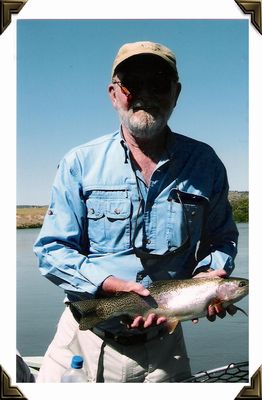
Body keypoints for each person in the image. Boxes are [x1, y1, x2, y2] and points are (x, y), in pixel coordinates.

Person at [33, 41, 239, 383]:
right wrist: (107, 285)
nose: (145, 93)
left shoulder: (206, 164)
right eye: (132, 83)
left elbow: (222, 239)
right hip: (84, 341)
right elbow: (51, 251)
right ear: (114, 94)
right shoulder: (79, 163)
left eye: (158, 83)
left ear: (176, 93)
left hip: (165, 348)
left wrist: (210, 276)